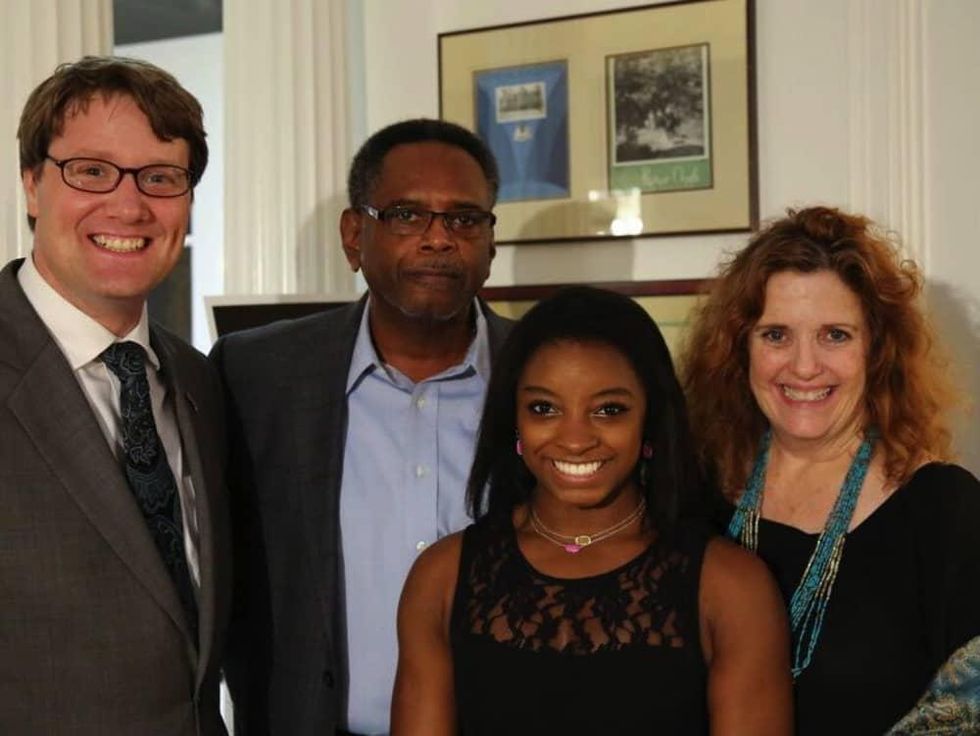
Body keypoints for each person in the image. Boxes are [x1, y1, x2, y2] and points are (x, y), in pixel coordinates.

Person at [212, 118, 513, 735]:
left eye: (464, 218)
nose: (438, 239)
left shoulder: (546, 375)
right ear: (355, 236)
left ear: (490, 241)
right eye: (406, 215)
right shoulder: (256, 376)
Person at [393, 286, 793, 735]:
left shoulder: (731, 586)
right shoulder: (441, 577)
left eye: (609, 410)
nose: (576, 439)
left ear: (649, 420)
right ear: (515, 422)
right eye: (544, 408)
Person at [680, 206, 980, 735]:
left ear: (878, 350)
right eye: (776, 335)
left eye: (835, 335)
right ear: (738, 349)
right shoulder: (692, 490)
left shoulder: (944, 510)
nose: (803, 366)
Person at [0, 56, 230, 734]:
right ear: (33, 184)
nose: (129, 205)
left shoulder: (200, 382)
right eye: (92, 171)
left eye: (161, 178)